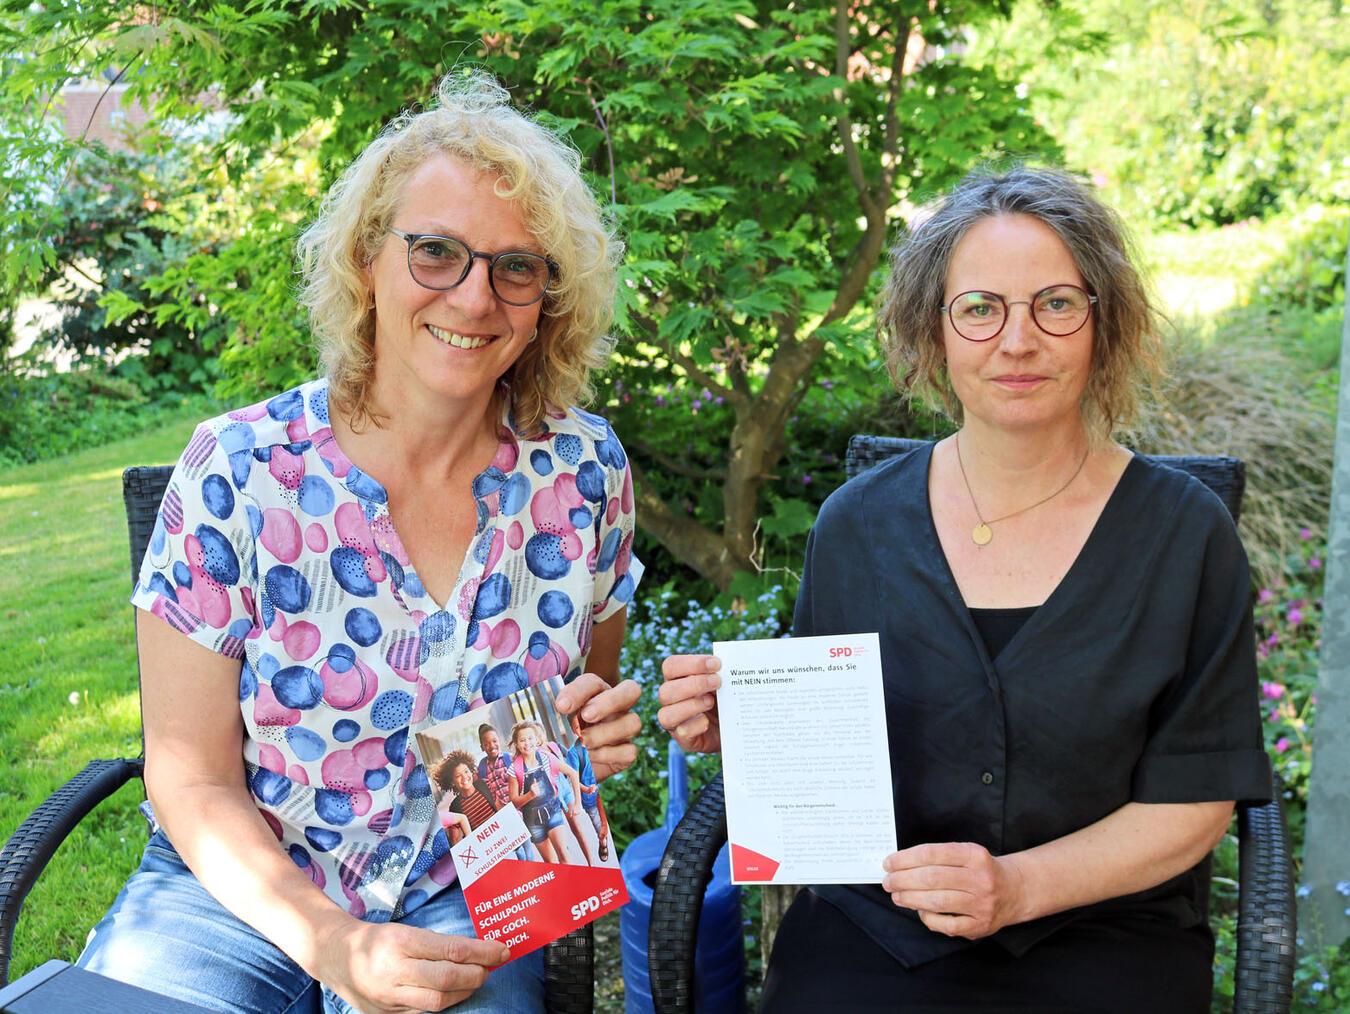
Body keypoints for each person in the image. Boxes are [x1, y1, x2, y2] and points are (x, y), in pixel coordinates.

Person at [79, 71, 644, 1014]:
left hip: (473, 889)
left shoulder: (585, 472)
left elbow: (577, 697)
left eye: (517, 266)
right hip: (233, 887)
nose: (474, 298)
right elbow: (191, 775)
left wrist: (585, 735)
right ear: (365, 262)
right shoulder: (242, 470)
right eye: (436, 253)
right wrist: (330, 941)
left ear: (550, 296)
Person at [658, 166, 1271, 1012]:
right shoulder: (858, 525)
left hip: (1104, 936)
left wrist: (1017, 887)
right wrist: (743, 732)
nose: (1017, 340)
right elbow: (825, 759)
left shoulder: (1184, 534)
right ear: (933, 333)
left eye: (1055, 304)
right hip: (879, 932)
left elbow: (1197, 797)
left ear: (1103, 323)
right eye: (979, 309)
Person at [507, 720, 583, 865]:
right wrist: (530, 795)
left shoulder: (547, 758)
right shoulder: (513, 769)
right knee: (552, 864)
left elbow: (573, 773)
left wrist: (578, 803)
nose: (527, 743)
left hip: (552, 812)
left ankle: (579, 885)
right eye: (522, 740)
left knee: (564, 856)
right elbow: (514, 800)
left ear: (536, 739)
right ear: (516, 744)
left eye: (530, 738)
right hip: (532, 822)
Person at [565, 712, 611, 862]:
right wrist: (586, 789)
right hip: (589, 795)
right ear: (573, 730)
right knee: (598, 824)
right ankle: (603, 842)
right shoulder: (574, 753)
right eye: (578, 727)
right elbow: (573, 777)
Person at [434, 751, 500, 844]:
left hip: (501, 838)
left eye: (466, 771)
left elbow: (499, 806)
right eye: (458, 776)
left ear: (471, 770)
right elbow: (456, 839)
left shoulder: (484, 784)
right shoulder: (455, 807)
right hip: (485, 847)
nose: (464, 777)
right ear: (452, 782)